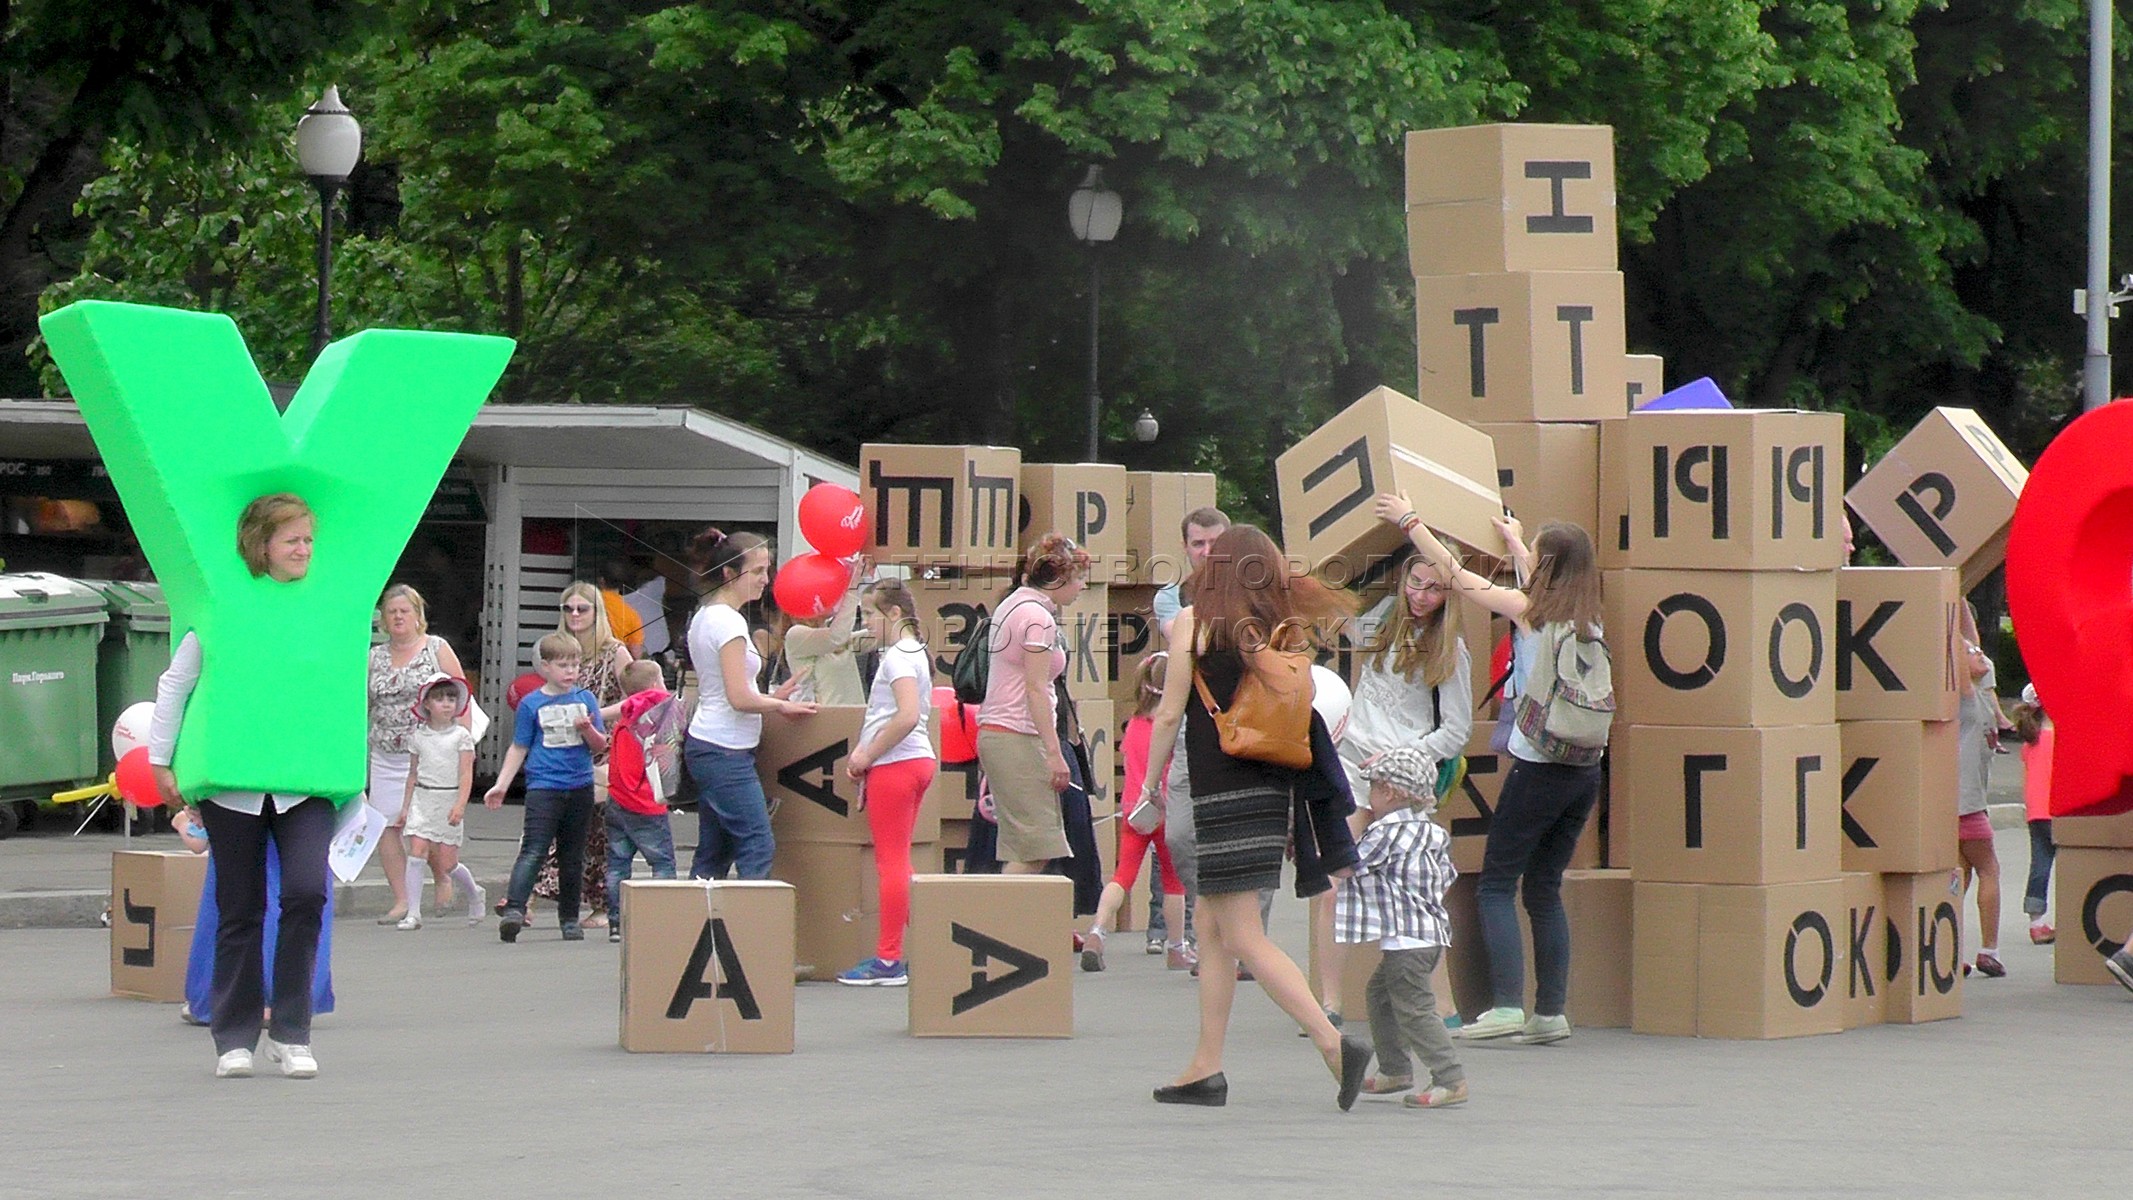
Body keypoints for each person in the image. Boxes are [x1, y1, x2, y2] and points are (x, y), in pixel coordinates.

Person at [1136, 522, 1370, 1111]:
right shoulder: (1280, 630)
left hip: (1220, 790)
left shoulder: (1194, 625)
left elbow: (1167, 716)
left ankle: (1333, 1043)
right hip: (1272, 786)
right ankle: (1205, 1067)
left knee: (1241, 933)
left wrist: (1148, 785)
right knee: (1214, 930)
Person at [1374, 491, 1603, 1046]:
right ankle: (1550, 1011)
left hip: (1539, 767)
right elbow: (1536, 577)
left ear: (1546, 569)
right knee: (1544, 887)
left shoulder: (1529, 615)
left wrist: (1411, 521)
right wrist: (1520, 543)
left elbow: (1455, 575)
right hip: (1584, 769)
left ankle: (1504, 1005)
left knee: (1497, 884)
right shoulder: (1587, 618)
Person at [148, 492, 334, 1078]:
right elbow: (177, 683)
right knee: (240, 906)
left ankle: (292, 1030)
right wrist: (161, 760)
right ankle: (234, 1035)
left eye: (308, 539)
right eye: (292, 540)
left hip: (306, 784)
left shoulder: (325, 607)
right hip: (233, 787)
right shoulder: (222, 608)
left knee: (306, 894)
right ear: (262, 546)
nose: (304, 549)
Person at [1314, 552, 1472, 1022]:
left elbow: (1457, 731)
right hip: (1352, 763)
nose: (1420, 596)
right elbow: (1336, 624)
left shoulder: (1451, 649)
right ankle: (1329, 1002)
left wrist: (1405, 758)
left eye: (1433, 588)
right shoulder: (1383, 620)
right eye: (1415, 582)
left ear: (1450, 595)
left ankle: (1444, 1006)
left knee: (1415, 894)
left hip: (1401, 780)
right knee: (1333, 886)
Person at [1334, 746, 1467, 1110]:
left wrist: (1324, 852)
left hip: (1408, 940)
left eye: (1373, 789)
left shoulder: (1387, 832)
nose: (1370, 799)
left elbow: (1351, 866)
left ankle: (1449, 1076)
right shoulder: (1432, 832)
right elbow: (1447, 875)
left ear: (1390, 792)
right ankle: (1395, 1068)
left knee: (1414, 1006)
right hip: (1430, 934)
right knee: (1380, 993)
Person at [685, 528, 816, 880]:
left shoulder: (707, 615)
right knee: (757, 842)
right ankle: (751, 924)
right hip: (723, 749)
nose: (766, 580)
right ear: (730, 574)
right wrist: (779, 707)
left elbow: (728, 691)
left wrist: (772, 699)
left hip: (717, 745)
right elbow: (739, 697)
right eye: (758, 571)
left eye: (767, 570)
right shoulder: (727, 622)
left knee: (716, 852)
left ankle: (698, 927)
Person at [837, 579, 939, 985]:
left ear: (893, 614)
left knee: (891, 863)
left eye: (869, 615)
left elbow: (906, 714)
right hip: (915, 761)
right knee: (900, 861)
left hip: (896, 763)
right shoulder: (915, 652)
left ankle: (888, 959)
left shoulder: (897, 656)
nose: (865, 624)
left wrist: (866, 754)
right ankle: (912, 949)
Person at [977, 535, 1090, 875]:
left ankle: (1005, 922)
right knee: (1037, 845)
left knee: (1024, 843)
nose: (1083, 587)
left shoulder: (1012, 605)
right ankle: (996, 924)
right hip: (1018, 733)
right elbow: (1037, 689)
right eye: (1080, 578)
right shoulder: (1037, 618)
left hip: (1000, 732)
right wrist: (1054, 753)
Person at [484, 632, 608, 943]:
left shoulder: (585, 699)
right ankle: (515, 908)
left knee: (572, 855)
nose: (570, 672)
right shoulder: (531, 704)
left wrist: (588, 729)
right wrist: (501, 784)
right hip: (544, 787)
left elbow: (599, 745)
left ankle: (569, 918)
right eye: (563, 665)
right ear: (545, 667)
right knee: (534, 849)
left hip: (579, 785)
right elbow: (519, 746)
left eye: (575, 665)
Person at [173, 805, 333, 1029]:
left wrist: (181, 822)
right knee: (299, 919)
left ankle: (222, 1000)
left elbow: (198, 842)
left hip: (244, 830)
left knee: (236, 920)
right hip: (301, 843)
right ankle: (292, 1001)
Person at [366, 584, 471, 924]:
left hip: (433, 752)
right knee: (387, 825)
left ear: (418, 616)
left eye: (404, 611)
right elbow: (364, 703)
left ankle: (442, 877)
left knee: (427, 828)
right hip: (385, 751)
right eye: (391, 611)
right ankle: (402, 899)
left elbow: (461, 694)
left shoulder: (436, 648)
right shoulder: (373, 656)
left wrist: (463, 745)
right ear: (382, 618)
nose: (397, 617)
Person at [535, 581, 636, 929]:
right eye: (568, 609)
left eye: (582, 609)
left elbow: (640, 696)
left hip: (602, 750)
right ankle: (526, 897)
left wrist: (598, 716)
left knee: (597, 834)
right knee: (547, 825)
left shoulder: (613, 651)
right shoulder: (556, 650)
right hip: (561, 750)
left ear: (597, 613)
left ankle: (601, 905)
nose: (575, 615)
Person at [1081, 653, 1190, 971]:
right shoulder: (1172, 725)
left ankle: (1097, 932)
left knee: (1122, 877)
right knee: (1174, 883)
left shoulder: (1134, 725)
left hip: (1134, 810)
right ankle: (1176, 947)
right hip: (1167, 809)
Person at [392, 674, 486, 929]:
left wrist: (460, 805)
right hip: (423, 798)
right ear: (427, 705)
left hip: (448, 797)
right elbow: (413, 774)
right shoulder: (418, 737)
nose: (446, 704)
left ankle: (475, 894)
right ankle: (413, 913)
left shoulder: (461, 737)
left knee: (448, 862)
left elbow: (466, 773)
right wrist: (405, 807)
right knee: (417, 851)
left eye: (451, 698)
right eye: (439, 698)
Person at [599, 659, 683, 944]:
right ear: (657, 682)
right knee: (662, 864)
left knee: (618, 866)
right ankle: (662, 919)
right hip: (647, 803)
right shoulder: (658, 710)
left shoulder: (627, 716)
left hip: (617, 800)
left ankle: (615, 924)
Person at [1957, 637, 2005, 977]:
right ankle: (1989, 949)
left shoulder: (1985, 696)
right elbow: (1955, 639)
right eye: (1972, 653)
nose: (1979, 654)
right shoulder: (1967, 699)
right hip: (1967, 804)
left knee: (1959, 877)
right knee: (1989, 869)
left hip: (1966, 803)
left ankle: (1950, 948)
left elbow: (1968, 636)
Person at [2006, 687, 2056, 944]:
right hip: (2058, 807)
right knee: (2072, 860)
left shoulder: (2031, 740)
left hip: (2036, 810)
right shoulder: (2058, 736)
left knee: (2040, 863)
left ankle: (2036, 922)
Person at [784, 560, 868, 705]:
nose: (837, 595)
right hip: (820, 722)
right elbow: (836, 638)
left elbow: (871, 637)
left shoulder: (830, 632)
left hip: (850, 721)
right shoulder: (796, 635)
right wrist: (853, 586)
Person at [1151, 506, 1229, 644]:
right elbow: (1186, 642)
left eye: (1215, 543)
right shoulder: (1170, 595)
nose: (1207, 552)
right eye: (1198, 544)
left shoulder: (1253, 589)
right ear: (1185, 547)